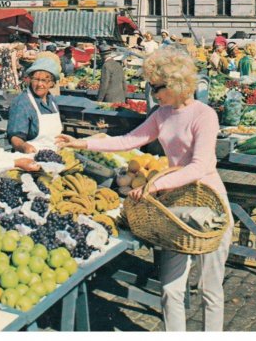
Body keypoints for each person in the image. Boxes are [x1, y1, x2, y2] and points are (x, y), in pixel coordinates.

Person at [56, 49, 231, 332]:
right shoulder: (161, 115)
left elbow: (201, 165)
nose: (152, 93)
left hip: (209, 206)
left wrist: (155, 185)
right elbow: (129, 140)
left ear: (175, 84)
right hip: (175, 207)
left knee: (211, 290)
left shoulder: (204, 114)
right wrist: (83, 143)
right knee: (171, 289)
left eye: (156, 87)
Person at [7, 57, 63, 153]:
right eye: (35, 79)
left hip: (54, 155)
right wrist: (24, 147)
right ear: (29, 79)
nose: (39, 84)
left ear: (52, 83)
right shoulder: (22, 103)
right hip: (30, 158)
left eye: (45, 80)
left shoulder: (52, 101)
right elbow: (15, 137)